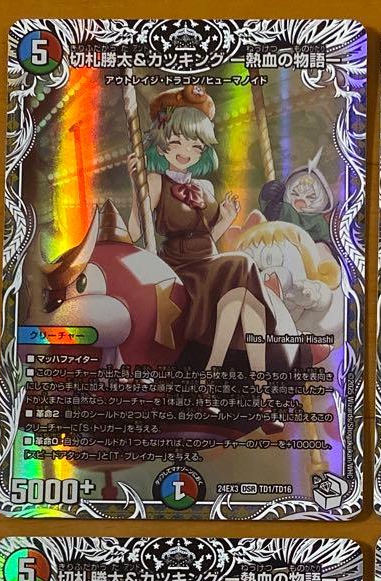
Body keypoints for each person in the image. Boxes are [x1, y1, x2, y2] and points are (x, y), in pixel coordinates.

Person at [127, 85, 300, 377]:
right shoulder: (155, 182)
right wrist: (136, 189)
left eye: (196, 145)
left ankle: (248, 381)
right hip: (182, 269)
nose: (186, 152)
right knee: (242, 265)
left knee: (244, 297)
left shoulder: (204, 187)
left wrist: (226, 219)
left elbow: (209, 236)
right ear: (162, 141)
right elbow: (134, 233)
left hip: (210, 262)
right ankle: (222, 373)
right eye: (177, 141)